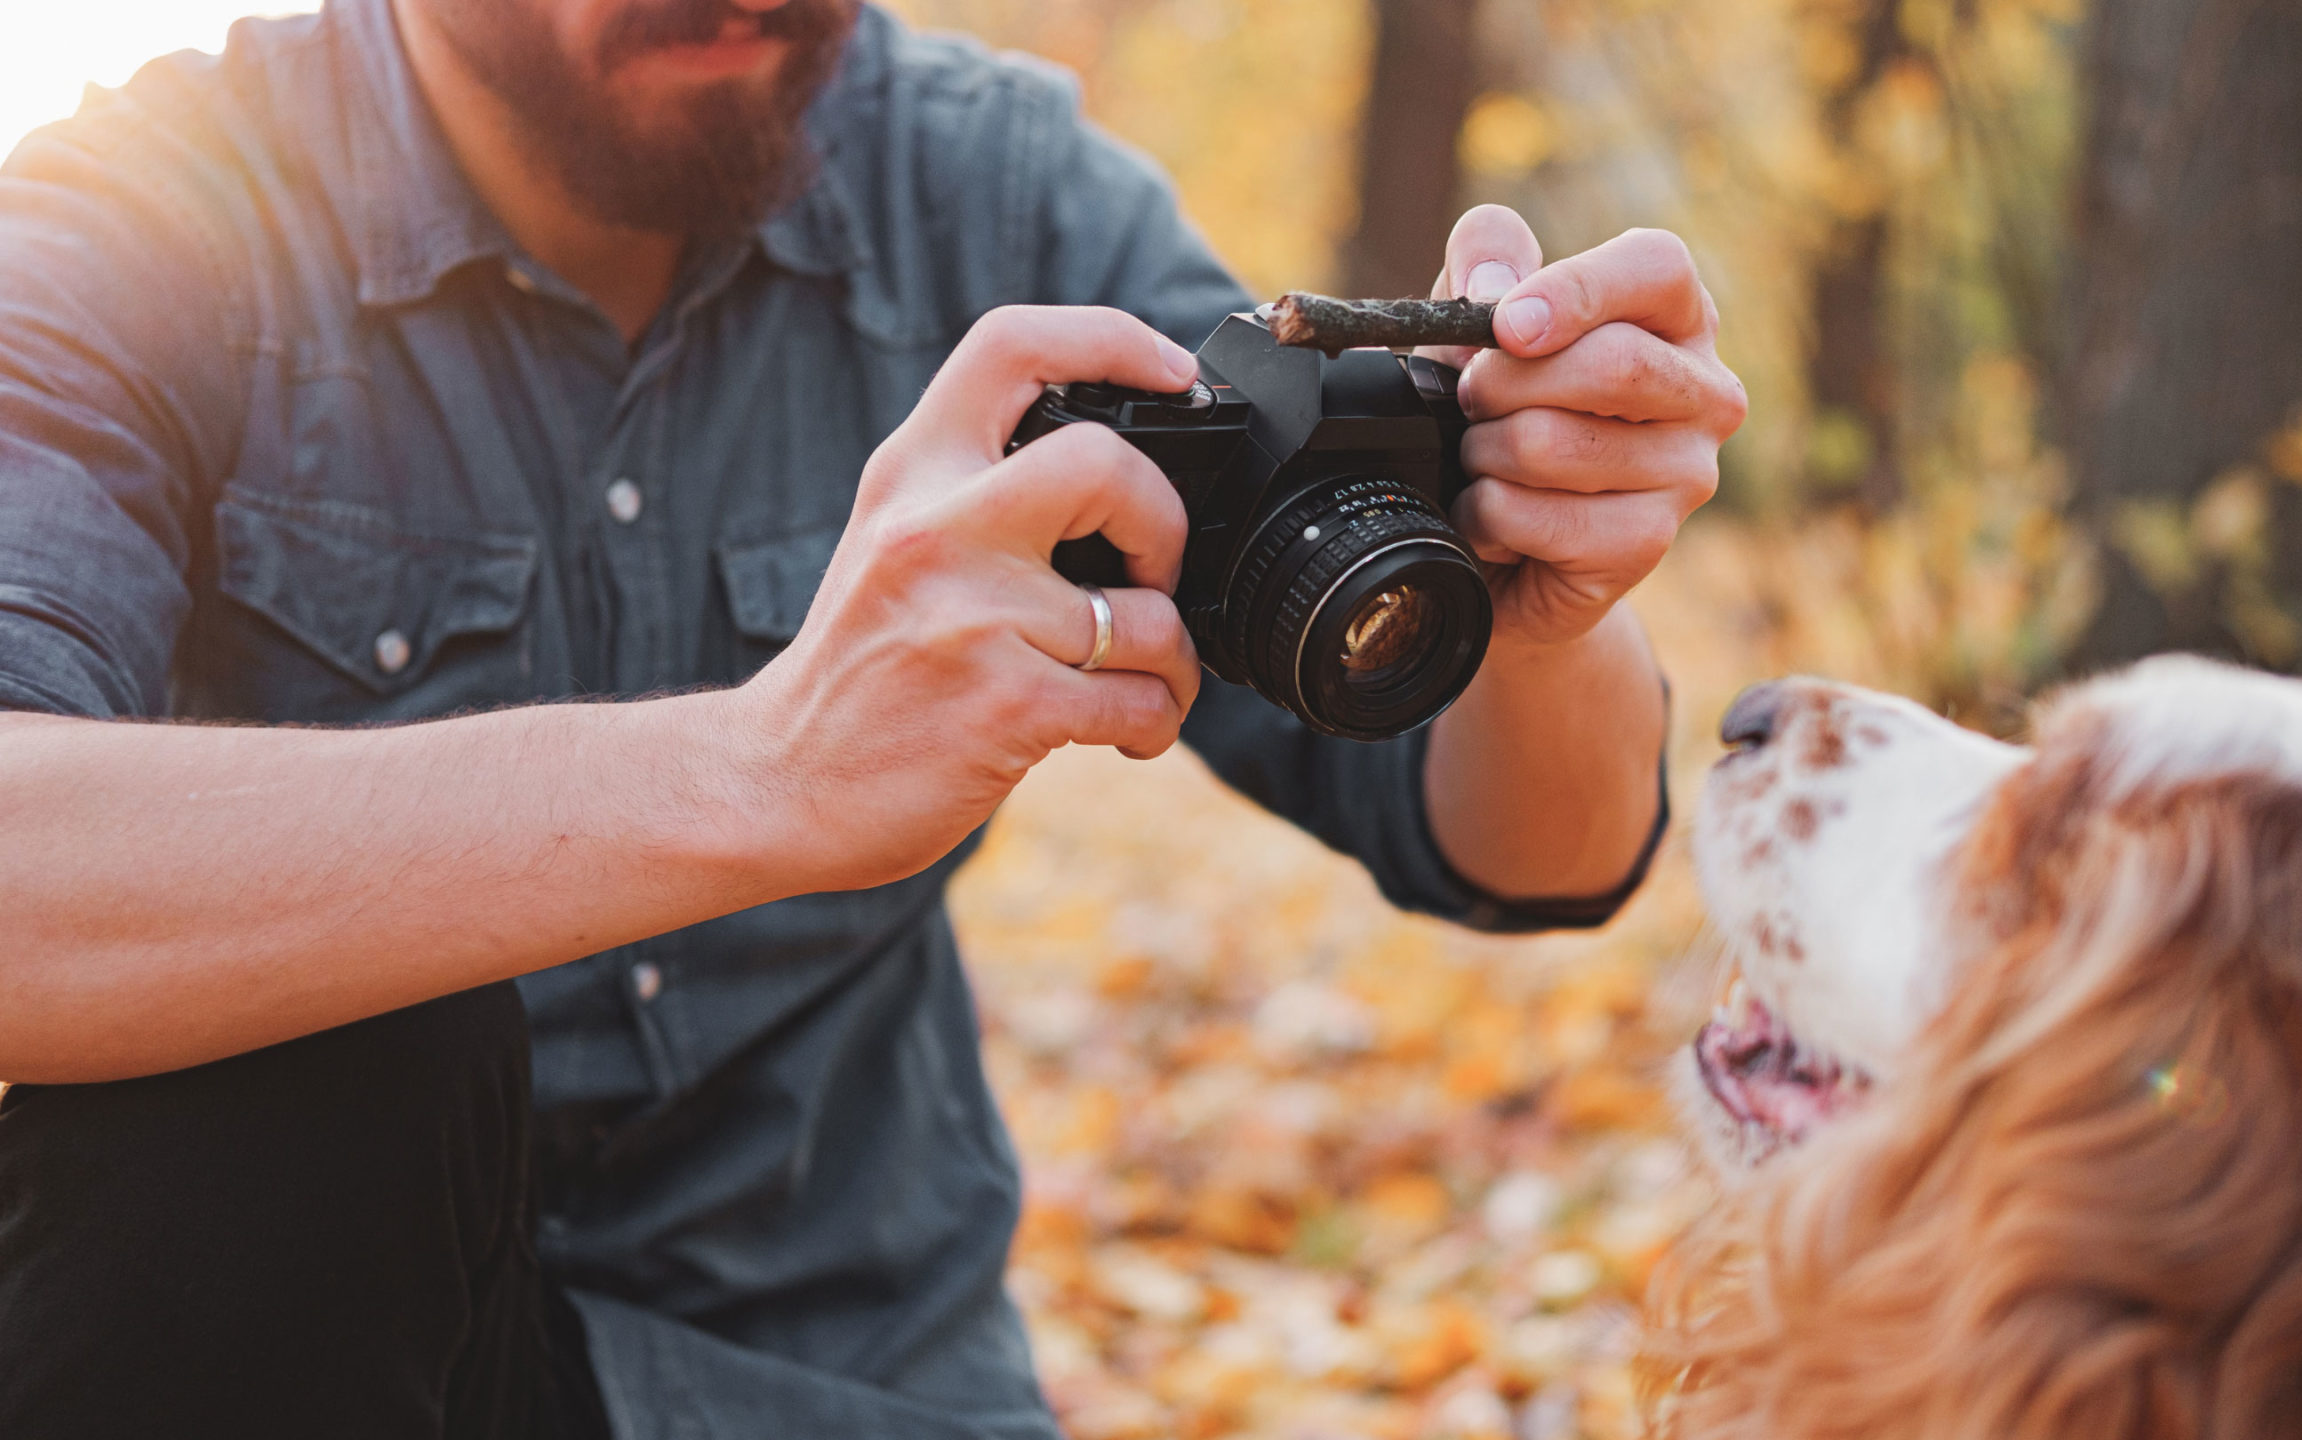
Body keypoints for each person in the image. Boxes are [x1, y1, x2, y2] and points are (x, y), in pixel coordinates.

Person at [0, 0, 1745, 1435]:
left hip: (840, 1387)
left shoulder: (999, 196)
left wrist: (1538, 596)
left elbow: (1529, 862)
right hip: (265, 1365)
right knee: (296, 1055)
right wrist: (763, 772)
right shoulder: (142, 217)